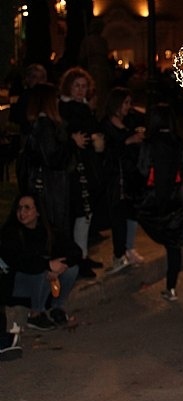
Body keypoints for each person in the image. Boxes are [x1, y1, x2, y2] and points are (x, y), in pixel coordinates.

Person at [0, 194, 81, 331]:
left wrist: (61, 266)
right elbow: (21, 263)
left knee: (72, 269)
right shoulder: (11, 233)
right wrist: (48, 265)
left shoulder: (46, 229)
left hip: (41, 282)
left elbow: (75, 251)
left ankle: (57, 308)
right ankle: (35, 313)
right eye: (19, 208)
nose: (22, 212)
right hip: (16, 283)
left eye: (27, 208)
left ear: (37, 211)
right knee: (42, 271)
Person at [136, 103, 183, 301]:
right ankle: (172, 287)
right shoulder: (180, 142)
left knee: (129, 213)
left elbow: (141, 169)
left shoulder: (149, 143)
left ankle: (123, 254)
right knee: (173, 245)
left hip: (153, 200)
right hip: (176, 199)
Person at [58, 67, 105, 278]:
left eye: (84, 86)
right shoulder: (64, 108)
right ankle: (77, 260)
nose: (80, 89)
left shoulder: (83, 108)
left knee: (86, 213)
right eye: (76, 85)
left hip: (87, 162)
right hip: (74, 166)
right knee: (80, 211)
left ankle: (83, 254)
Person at [100, 87, 146, 274]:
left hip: (130, 176)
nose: (128, 106)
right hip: (116, 178)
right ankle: (118, 254)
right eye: (125, 103)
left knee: (131, 212)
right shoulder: (106, 125)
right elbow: (108, 152)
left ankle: (129, 247)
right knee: (119, 215)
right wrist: (128, 142)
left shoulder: (128, 121)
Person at [17, 83, 73, 235]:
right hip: (50, 188)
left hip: (49, 186)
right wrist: (71, 144)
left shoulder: (40, 125)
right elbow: (53, 158)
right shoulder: (45, 126)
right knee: (52, 228)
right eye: (56, 98)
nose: (58, 102)